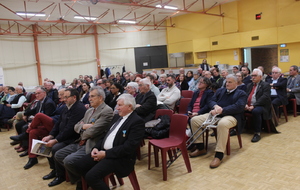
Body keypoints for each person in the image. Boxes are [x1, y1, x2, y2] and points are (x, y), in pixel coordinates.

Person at [69, 94, 145, 190]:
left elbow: (129, 147)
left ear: (129, 106)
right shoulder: (116, 117)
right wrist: (96, 148)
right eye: (117, 105)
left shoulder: (137, 122)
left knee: (91, 176)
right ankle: (89, 185)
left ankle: (92, 183)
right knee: (77, 165)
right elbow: (105, 136)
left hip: (119, 157)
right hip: (103, 151)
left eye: (120, 105)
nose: (117, 108)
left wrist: (105, 154)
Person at [49, 86, 113, 187]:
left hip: (92, 144)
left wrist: (83, 128)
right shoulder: (89, 111)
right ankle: (81, 178)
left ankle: (82, 181)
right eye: (89, 96)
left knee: (68, 161)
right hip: (81, 141)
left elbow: (91, 133)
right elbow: (76, 126)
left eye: (92, 96)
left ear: (100, 97)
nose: (89, 98)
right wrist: (84, 126)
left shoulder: (106, 111)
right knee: (58, 154)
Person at [189, 74, 247, 168]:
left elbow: (239, 107)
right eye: (226, 82)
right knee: (194, 120)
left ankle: (219, 155)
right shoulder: (220, 90)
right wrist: (215, 106)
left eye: (230, 82)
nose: (227, 84)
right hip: (216, 113)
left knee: (222, 124)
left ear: (236, 83)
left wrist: (223, 110)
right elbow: (211, 101)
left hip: (231, 116)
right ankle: (200, 148)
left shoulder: (241, 93)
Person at [41, 88, 86, 186]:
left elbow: (70, 129)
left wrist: (56, 140)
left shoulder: (79, 108)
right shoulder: (67, 106)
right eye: (63, 97)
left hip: (72, 138)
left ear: (74, 97)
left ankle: (60, 176)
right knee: (46, 144)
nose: (63, 99)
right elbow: (58, 123)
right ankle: (54, 170)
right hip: (63, 136)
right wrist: (51, 135)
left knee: (55, 148)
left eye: (66, 97)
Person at [20, 89, 66, 168]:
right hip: (53, 123)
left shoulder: (51, 103)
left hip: (56, 126)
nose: (59, 97)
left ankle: (26, 132)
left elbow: (53, 117)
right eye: (59, 95)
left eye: (62, 95)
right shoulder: (60, 104)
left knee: (39, 115)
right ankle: (32, 158)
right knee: (33, 132)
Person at [245, 69, 271, 143]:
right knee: (237, 108)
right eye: (252, 75)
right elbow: (245, 96)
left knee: (256, 111)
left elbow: (265, 97)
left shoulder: (265, 85)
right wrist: (245, 104)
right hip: (249, 105)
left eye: (255, 76)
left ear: (260, 77)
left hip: (261, 105)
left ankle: (257, 133)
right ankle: (237, 129)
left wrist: (254, 106)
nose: (253, 77)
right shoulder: (249, 85)